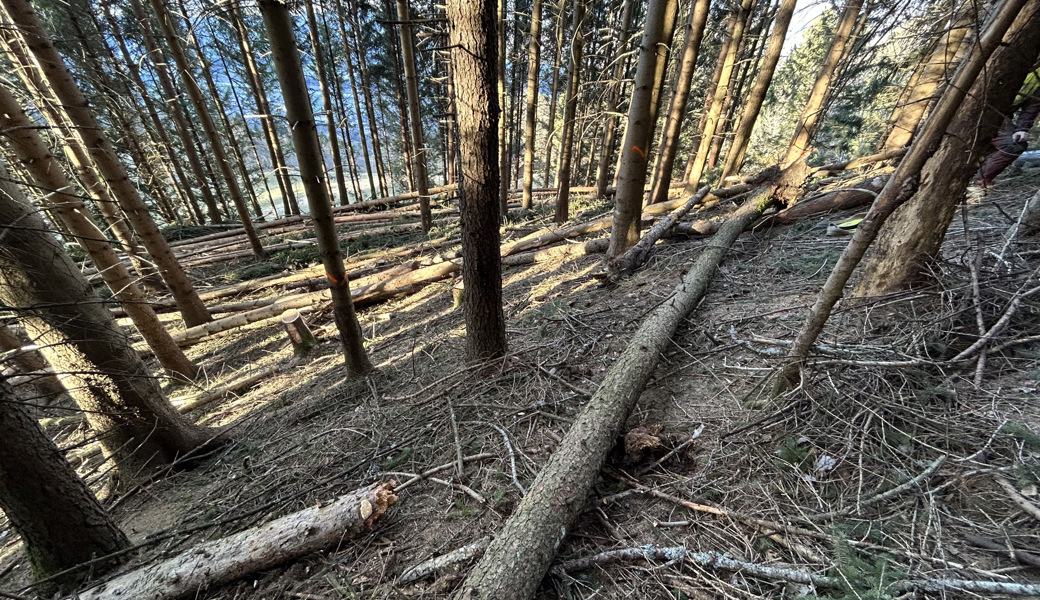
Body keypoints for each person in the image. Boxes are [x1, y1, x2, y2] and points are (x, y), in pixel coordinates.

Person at [979, 68, 1040, 187]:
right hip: (976, 111)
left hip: (998, 117)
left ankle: (980, 181)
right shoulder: (1013, 60)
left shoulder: (1038, 77)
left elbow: (1032, 106)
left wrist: (1022, 129)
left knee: (1014, 145)